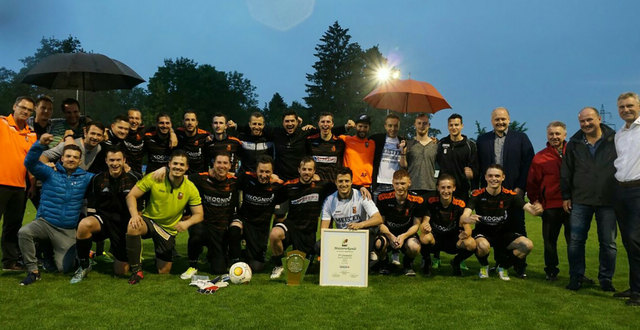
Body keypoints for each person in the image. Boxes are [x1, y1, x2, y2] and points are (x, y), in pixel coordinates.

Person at [18, 133, 94, 285]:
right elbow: (30, 162)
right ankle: (33, 271)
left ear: (80, 161)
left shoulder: (87, 178)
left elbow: (105, 179)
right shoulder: (49, 173)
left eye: (75, 157)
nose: (71, 159)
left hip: (67, 229)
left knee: (63, 269)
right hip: (45, 223)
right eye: (68, 156)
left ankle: (82, 256)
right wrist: (39, 145)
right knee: (24, 232)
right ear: (62, 158)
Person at [125, 150, 203, 284]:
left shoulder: (190, 188)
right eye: (175, 163)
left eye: (181, 165)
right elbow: (131, 195)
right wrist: (134, 215)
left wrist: (186, 223)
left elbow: (199, 214)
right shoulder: (155, 177)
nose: (178, 167)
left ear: (187, 167)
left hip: (168, 229)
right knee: (133, 226)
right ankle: (136, 270)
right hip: (150, 221)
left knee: (164, 271)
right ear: (169, 164)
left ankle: (158, 256)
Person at [561, 107, 618, 292]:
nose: (586, 124)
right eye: (582, 121)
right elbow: (566, 171)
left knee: (608, 243)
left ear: (599, 118)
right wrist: (566, 196)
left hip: (608, 199)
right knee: (576, 241)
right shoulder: (574, 143)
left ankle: (606, 279)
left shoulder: (615, 139)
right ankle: (576, 277)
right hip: (581, 199)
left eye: (589, 120)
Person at [69, 147, 142, 283]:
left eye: (118, 160)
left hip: (123, 224)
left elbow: (140, 204)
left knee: (121, 271)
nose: (115, 163)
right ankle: (84, 265)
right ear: (106, 161)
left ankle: (120, 254)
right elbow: (92, 204)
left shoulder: (134, 178)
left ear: (124, 161)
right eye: (112, 160)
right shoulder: (98, 179)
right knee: (85, 224)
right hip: (103, 220)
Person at [476, 107, 534, 277]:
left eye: (503, 119)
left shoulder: (520, 138)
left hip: (513, 190)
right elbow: (478, 166)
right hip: (490, 192)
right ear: (491, 121)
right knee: (492, 226)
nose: (500, 122)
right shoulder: (483, 140)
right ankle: (498, 263)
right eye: (496, 119)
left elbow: (528, 164)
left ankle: (519, 266)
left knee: (517, 226)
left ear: (509, 119)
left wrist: (521, 187)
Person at [463, 164, 540, 281]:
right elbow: (464, 216)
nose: (494, 178)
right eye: (490, 176)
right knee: (483, 246)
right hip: (484, 234)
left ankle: (503, 267)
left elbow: (532, 211)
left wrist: (539, 208)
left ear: (503, 177)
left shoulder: (511, 195)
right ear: (485, 177)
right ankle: (484, 266)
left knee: (527, 245)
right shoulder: (477, 195)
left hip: (504, 234)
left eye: (497, 176)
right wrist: (467, 219)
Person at [268, 157, 335, 279]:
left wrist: (360, 188)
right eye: (304, 169)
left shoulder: (322, 186)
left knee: (302, 269)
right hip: (291, 226)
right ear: (299, 170)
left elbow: (341, 186)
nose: (306, 172)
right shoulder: (289, 185)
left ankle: (296, 257)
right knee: (274, 234)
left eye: (310, 169)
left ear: (314, 171)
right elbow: (273, 195)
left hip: (308, 232)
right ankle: (279, 264)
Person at [180, 153, 239, 279]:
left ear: (230, 166)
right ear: (213, 164)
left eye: (225, 163)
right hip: (204, 225)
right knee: (197, 232)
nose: (221, 166)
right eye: (219, 163)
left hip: (221, 230)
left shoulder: (234, 181)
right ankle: (193, 265)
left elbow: (256, 178)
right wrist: (164, 170)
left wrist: (273, 175)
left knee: (219, 270)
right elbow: (180, 177)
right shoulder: (202, 178)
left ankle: (220, 255)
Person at [526, 121, 570, 281]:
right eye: (551, 134)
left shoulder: (573, 152)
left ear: (565, 135)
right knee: (550, 241)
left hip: (572, 204)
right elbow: (532, 183)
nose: (554, 137)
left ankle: (577, 273)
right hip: (550, 205)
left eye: (558, 134)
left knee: (574, 242)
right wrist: (535, 201)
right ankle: (551, 271)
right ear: (547, 135)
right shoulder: (540, 157)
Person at [0, 96, 37, 271]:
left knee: (13, 225)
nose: (25, 111)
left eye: (29, 110)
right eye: (22, 107)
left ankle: (9, 261)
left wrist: (31, 184)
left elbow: (31, 162)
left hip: (19, 187)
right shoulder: (2, 124)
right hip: (1, 183)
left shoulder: (31, 134)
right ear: (14, 106)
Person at [612, 92, 640, 305]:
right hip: (621, 190)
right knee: (628, 242)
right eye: (622, 107)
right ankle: (635, 287)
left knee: (635, 239)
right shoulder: (620, 133)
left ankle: (638, 293)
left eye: (629, 105)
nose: (625, 110)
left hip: (638, 189)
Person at [233, 155, 283, 271]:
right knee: (234, 230)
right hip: (244, 222)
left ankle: (246, 254)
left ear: (272, 172)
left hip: (262, 228)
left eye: (267, 172)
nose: (263, 175)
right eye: (261, 171)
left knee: (257, 267)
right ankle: (232, 256)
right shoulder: (246, 178)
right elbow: (231, 181)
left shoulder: (277, 185)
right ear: (256, 170)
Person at [419, 174, 476, 276]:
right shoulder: (431, 201)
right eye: (443, 187)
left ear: (454, 188)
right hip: (435, 239)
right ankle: (427, 261)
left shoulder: (460, 204)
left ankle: (456, 262)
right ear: (438, 188)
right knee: (424, 238)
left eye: (449, 187)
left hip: (452, 239)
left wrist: (466, 234)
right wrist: (425, 227)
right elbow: (425, 222)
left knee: (471, 243)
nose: (446, 191)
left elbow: (467, 228)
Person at [320, 167, 381, 258]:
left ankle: (370, 255)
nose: (344, 184)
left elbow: (378, 218)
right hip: (341, 238)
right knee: (319, 246)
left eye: (347, 181)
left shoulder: (362, 195)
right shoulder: (329, 200)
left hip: (360, 234)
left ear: (352, 182)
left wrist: (360, 225)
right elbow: (323, 229)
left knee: (374, 232)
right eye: (340, 181)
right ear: (336, 182)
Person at [375, 169, 425, 276]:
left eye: (403, 183)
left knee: (414, 247)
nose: (399, 187)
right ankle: (384, 263)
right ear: (392, 183)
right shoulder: (382, 197)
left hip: (406, 234)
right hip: (388, 233)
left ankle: (408, 264)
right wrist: (391, 236)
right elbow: (380, 223)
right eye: (397, 183)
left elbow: (416, 224)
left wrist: (403, 236)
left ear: (409, 183)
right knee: (378, 243)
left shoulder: (417, 200)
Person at [436, 113, 479, 202]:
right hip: (444, 190)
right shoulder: (441, 143)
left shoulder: (470, 145)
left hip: (462, 191)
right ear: (448, 126)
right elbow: (436, 164)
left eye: (456, 125)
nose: (454, 127)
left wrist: (472, 173)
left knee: (462, 216)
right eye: (451, 125)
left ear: (462, 126)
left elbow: (476, 169)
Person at [40, 121, 106, 171]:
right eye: (92, 133)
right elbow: (43, 155)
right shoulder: (69, 145)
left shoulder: (99, 148)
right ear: (85, 133)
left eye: (99, 135)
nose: (95, 137)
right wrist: (47, 167)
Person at [400, 113, 437, 199]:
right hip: (411, 187)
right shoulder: (408, 144)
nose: (422, 126)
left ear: (429, 125)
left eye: (424, 123)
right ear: (415, 125)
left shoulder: (435, 145)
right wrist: (403, 152)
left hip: (431, 187)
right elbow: (403, 166)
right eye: (419, 123)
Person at [370, 113, 406, 199]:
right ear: (385, 126)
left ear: (399, 126)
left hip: (396, 185)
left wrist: (434, 141)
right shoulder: (377, 139)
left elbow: (404, 165)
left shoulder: (403, 142)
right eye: (390, 126)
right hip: (379, 183)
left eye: (396, 126)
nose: (393, 129)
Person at [306, 112, 346, 182]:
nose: (325, 124)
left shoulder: (340, 143)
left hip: (333, 185)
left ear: (332, 124)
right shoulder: (310, 141)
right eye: (322, 122)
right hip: (316, 183)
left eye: (328, 122)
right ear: (318, 124)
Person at [339, 114, 375, 189]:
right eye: (360, 126)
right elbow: (329, 133)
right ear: (355, 126)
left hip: (366, 186)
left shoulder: (373, 143)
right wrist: (346, 127)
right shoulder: (346, 140)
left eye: (365, 127)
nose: (362, 129)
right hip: (348, 185)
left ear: (369, 128)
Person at [124, 108, 146, 174]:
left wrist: (172, 133)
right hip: (122, 171)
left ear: (140, 121)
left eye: (137, 118)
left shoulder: (144, 132)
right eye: (131, 118)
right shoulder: (121, 131)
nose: (134, 121)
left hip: (138, 173)